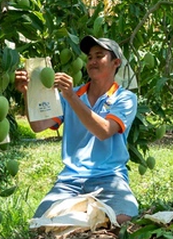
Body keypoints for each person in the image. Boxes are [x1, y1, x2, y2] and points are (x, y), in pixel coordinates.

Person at [15, 36, 139, 225]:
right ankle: (81, 221)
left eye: (99, 56)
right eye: (89, 57)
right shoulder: (71, 95)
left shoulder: (125, 98)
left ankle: (82, 222)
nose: (93, 61)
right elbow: (38, 126)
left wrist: (72, 97)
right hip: (70, 181)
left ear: (116, 62)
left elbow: (104, 131)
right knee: (38, 225)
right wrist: (28, 93)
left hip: (109, 177)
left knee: (124, 218)